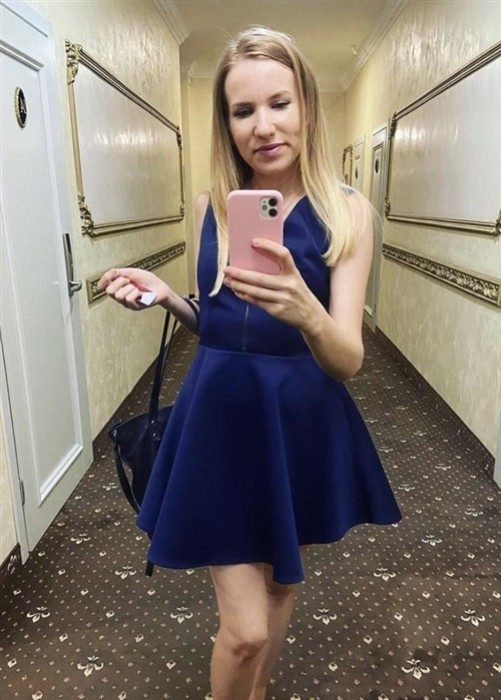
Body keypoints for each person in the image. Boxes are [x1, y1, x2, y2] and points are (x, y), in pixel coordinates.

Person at [98, 26, 401, 700]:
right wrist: (169, 298)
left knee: (280, 586)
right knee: (244, 631)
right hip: (219, 416)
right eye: (243, 110)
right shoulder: (211, 208)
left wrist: (306, 312)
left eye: (279, 103)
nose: (262, 126)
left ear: (306, 106)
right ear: (226, 123)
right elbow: (220, 324)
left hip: (299, 419)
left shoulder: (348, 213)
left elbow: (347, 358)